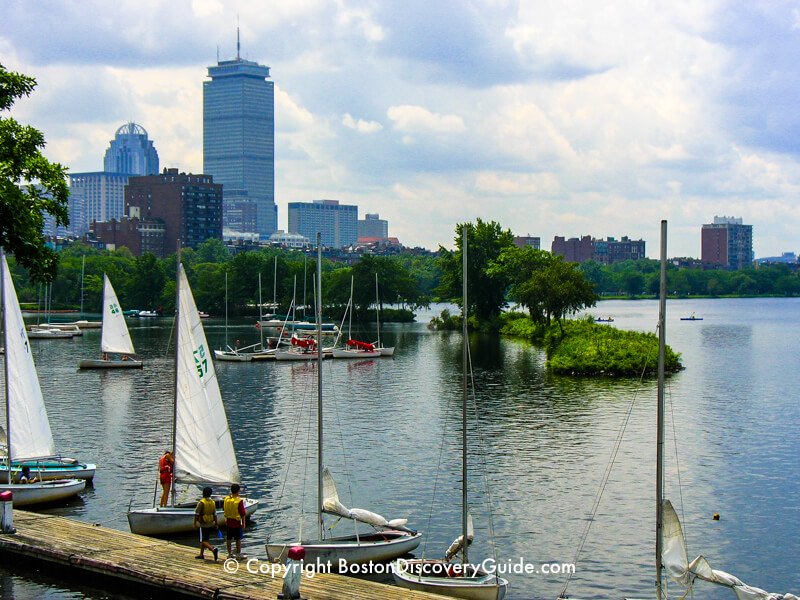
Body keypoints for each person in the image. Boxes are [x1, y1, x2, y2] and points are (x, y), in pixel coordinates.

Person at [194, 486, 219, 561]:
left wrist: (195, 523)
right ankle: (201, 554)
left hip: (203, 523)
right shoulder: (212, 502)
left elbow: (196, 514)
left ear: (203, 493)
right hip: (210, 522)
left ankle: (212, 549)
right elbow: (215, 514)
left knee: (203, 540)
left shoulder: (201, 503)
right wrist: (216, 523)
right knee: (206, 539)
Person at [223, 483, 247, 558]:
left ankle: (229, 554)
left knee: (228, 538)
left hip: (228, 522)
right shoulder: (239, 501)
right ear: (238, 491)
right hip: (236, 523)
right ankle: (239, 554)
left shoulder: (227, 499)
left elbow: (224, 509)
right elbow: (242, 513)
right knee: (238, 539)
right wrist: (243, 523)